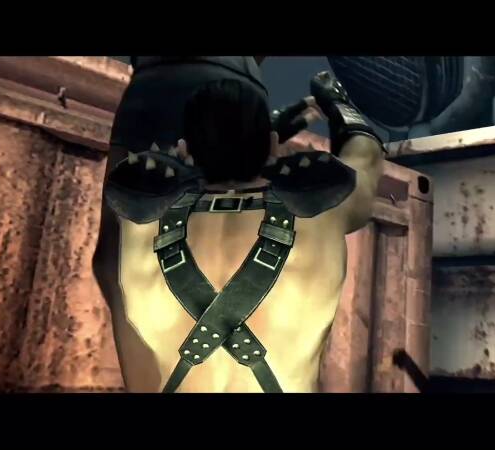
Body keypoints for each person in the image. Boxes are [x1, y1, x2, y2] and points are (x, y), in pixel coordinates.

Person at [92, 57, 384, 392]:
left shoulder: (139, 227)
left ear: (186, 149)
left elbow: (144, 174)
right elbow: (366, 151)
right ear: (271, 147)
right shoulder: (324, 216)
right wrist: (338, 104)